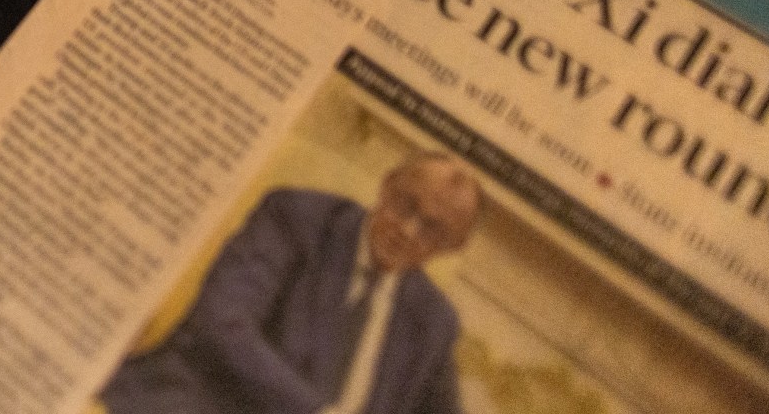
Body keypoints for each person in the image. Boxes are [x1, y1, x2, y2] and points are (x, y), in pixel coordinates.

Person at [100, 153, 483, 414]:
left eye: (432, 229)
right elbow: (222, 321)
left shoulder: (434, 320)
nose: (408, 230)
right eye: (405, 204)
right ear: (386, 186)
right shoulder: (297, 218)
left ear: (451, 246)